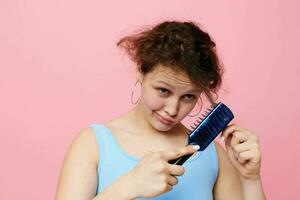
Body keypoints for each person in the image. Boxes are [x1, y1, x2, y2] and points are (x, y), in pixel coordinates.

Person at [55, 21, 266, 200]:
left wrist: (250, 179)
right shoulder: (93, 144)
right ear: (140, 70)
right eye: (163, 90)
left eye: (188, 97)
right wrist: (127, 186)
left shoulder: (214, 155)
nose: (173, 110)